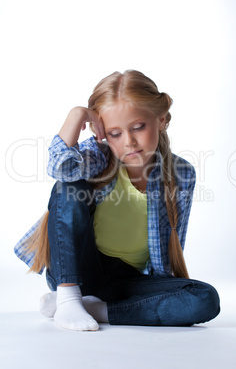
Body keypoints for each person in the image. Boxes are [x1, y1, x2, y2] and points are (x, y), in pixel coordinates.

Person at [14, 69, 220, 331]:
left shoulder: (181, 174)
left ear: (161, 120)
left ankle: (95, 308)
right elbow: (60, 169)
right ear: (104, 134)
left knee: (204, 299)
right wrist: (77, 114)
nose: (129, 142)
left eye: (138, 127)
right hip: (79, 270)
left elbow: (174, 241)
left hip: (126, 280)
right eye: (115, 133)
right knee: (68, 186)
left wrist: (163, 292)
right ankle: (68, 298)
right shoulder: (99, 158)